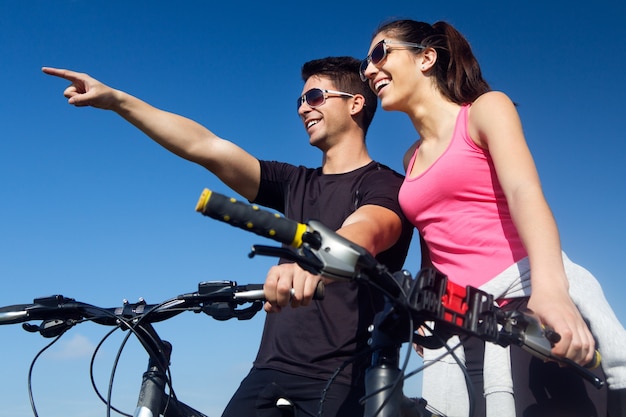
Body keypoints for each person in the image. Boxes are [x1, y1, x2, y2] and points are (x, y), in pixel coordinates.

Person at [43, 57, 414, 417]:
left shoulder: (384, 184)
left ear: (355, 104)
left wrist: (314, 259)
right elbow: (206, 146)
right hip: (269, 370)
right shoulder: (294, 183)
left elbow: (367, 229)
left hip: (344, 377)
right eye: (299, 101)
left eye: (314, 97)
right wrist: (117, 100)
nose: (303, 109)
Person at [360, 19, 626, 417]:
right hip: (462, 322)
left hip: (524, 307)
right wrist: (426, 306)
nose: (368, 70)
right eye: (366, 62)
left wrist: (551, 290)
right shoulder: (410, 157)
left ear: (426, 58)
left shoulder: (484, 111)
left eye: (380, 54)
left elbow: (525, 193)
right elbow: (434, 242)